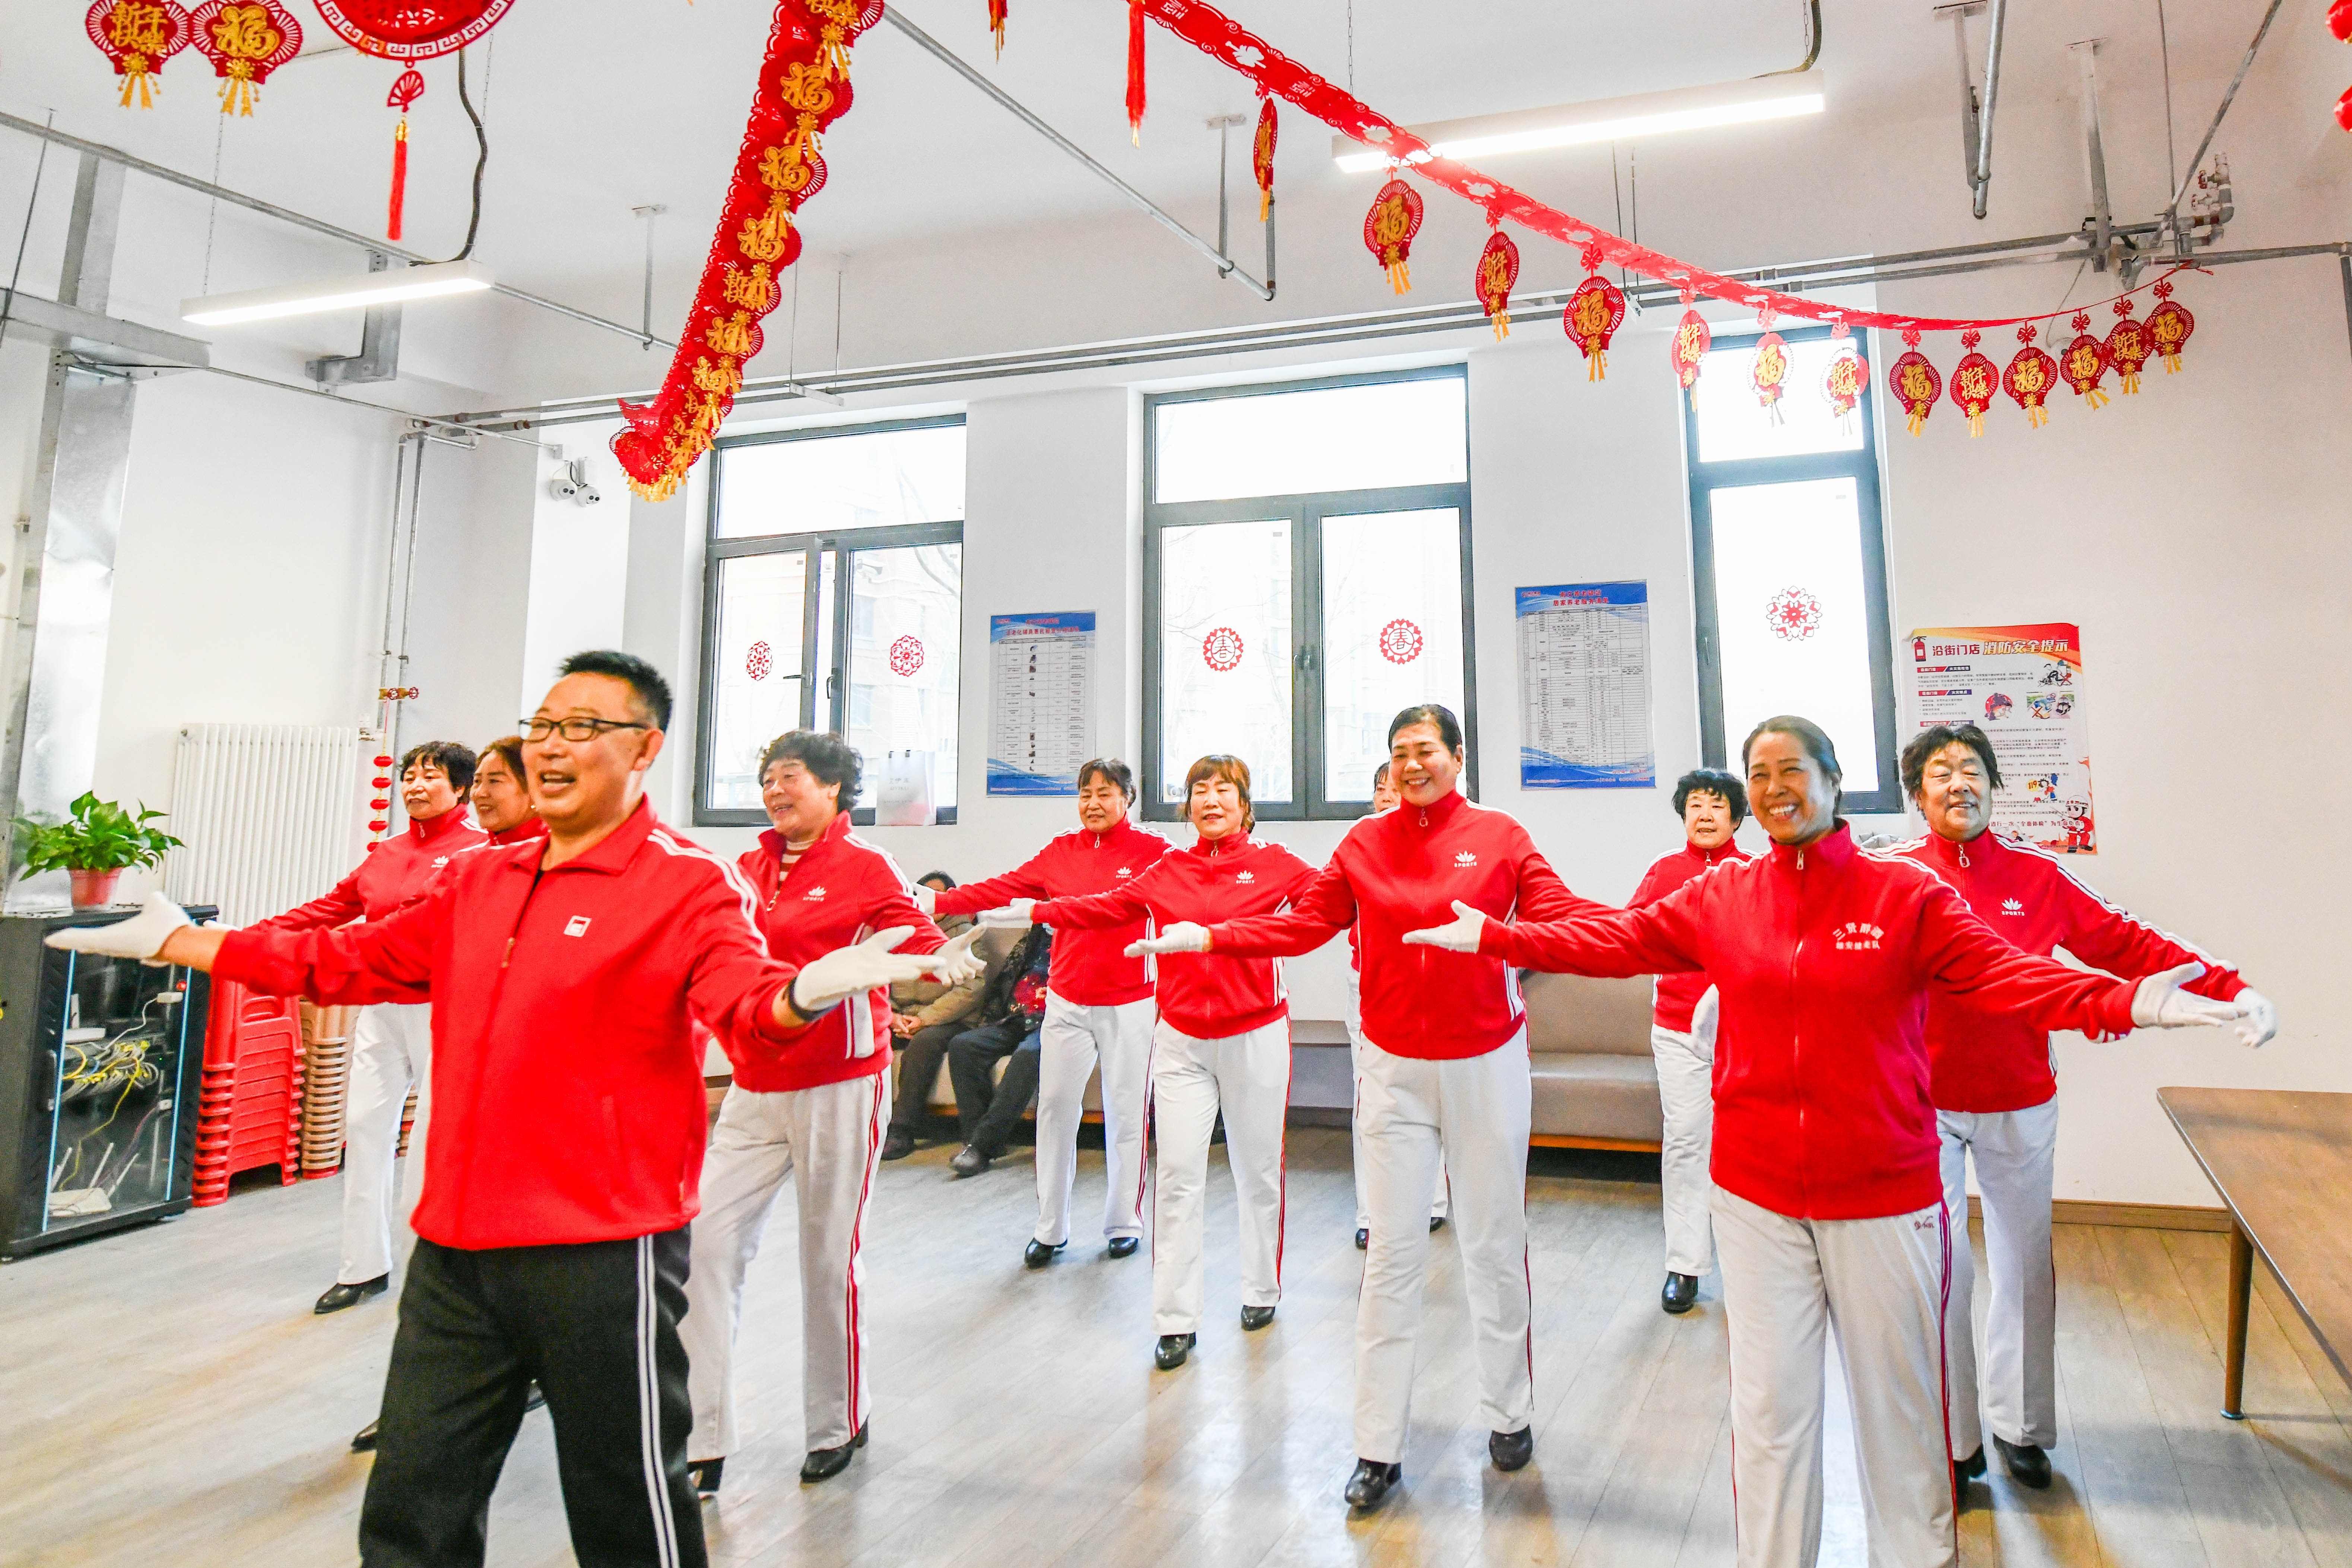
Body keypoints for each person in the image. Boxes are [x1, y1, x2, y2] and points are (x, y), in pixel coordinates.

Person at [52, 650, 978, 1568]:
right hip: (456, 1252)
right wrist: (189, 941)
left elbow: (745, 1002)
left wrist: (805, 991)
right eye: (542, 726)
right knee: (411, 1513)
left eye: (584, 727)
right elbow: (345, 958)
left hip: (603, 1250)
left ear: (645, 747)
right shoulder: (479, 878)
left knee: (628, 1519)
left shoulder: (686, 882)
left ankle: (831, 1421)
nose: (551, 746)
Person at [1400, 714, 2253, 1568]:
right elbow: (1617, 939)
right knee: (1769, 1420)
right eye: (1759, 773)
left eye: (1793, 769)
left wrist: (2129, 1001)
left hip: (1884, 1193)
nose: (1776, 788)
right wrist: (1498, 938)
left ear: (1835, 780)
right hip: (1755, 1199)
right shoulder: (1722, 895)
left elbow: (2010, 975)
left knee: (1901, 1421)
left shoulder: (1906, 896)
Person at [1133, 704, 1613, 1511]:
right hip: (1393, 1070)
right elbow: (1304, 926)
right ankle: (1377, 1448)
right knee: (1390, 1255)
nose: (1411, 764)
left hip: (1485, 1063)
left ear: (1457, 756)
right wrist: (1212, 938)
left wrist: (1651, 933)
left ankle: (1508, 1414)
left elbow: (1562, 916)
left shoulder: (1500, 836)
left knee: (1493, 1242)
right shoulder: (1362, 844)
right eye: (1398, 753)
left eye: (1425, 750)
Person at [1889, 722, 2275, 1492]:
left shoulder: (2037, 875)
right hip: (1919, 1104)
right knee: (1937, 1270)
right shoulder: (1893, 876)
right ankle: (1951, 1440)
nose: (1958, 782)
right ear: (1916, 794)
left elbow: (2128, 943)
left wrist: (2232, 988)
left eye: (1972, 769)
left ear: (1993, 786)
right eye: (1940, 771)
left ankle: (2020, 1428)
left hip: (2019, 1097)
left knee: (2025, 1263)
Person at [682, 731, 963, 1495]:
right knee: (704, 1244)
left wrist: (939, 959)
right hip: (754, 1081)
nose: (775, 790)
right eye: (767, 778)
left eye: (791, 777)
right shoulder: (745, 868)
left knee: (827, 1256)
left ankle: (838, 1420)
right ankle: (703, 1433)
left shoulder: (866, 864)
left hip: (841, 1082)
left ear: (833, 786)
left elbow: (918, 937)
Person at [997, 755, 1316, 1370]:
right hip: (1180, 1039)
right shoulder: (1169, 869)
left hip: (1254, 1033)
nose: (1210, 799)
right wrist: (1033, 911)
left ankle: (1261, 1288)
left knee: (1257, 1172)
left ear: (1245, 803)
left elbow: (1325, 908)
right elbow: (1101, 907)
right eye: (1199, 790)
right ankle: (1175, 1319)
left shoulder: (1276, 863)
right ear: (1186, 806)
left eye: (1223, 789)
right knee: (1176, 1177)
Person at [256, 740, 486, 1316]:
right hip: (381, 1006)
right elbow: (328, 909)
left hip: (442, 1008)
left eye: (431, 776)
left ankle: (434, 1276)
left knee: (433, 1140)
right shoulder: (387, 852)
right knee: (362, 1126)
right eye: (410, 775)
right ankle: (363, 1267)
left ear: (461, 789)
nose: (415, 785)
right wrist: (251, 938)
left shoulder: (480, 851)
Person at [926, 759, 1171, 1267]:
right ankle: (1050, 1228)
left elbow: (1120, 907)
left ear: (1128, 798)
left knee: (1127, 1112)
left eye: (1105, 793)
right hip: (1067, 1000)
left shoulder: (1155, 852)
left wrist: (1039, 912)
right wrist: (939, 900)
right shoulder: (1061, 850)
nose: (1093, 803)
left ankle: (1124, 1222)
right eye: (1085, 793)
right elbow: (1004, 887)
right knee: (1056, 1109)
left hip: (1130, 1000)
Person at [1629, 767, 1753, 1316]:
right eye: (1696, 805)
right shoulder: (1664, 871)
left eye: (1718, 805)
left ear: (1736, 818)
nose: (1705, 815)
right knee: (1685, 1140)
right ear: (1683, 815)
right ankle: (1685, 1264)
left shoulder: (1755, 872)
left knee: (1747, 1145)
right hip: (1677, 1030)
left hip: (1747, 1033)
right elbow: (1632, 934)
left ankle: (1752, 1261)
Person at [1348, 761, 1447, 1250]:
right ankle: (1373, 1211)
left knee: (1436, 1091)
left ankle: (1433, 1203)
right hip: (1371, 981)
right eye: (1380, 789)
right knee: (1370, 1096)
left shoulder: (1442, 841)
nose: (1388, 796)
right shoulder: (1361, 844)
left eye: (1396, 788)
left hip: (1436, 982)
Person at [881, 871, 984, 1161]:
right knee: (859, 1034)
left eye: (936, 897)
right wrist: (890, 1015)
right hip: (900, 1017)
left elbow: (972, 988)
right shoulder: (900, 932)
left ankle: (901, 1131)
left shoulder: (967, 935)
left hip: (950, 1022)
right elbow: (879, 979)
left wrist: (924, 1019)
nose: (928, 903)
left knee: (924, 1043)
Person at [944, 925, 1055, 1171]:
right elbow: (1007, 980)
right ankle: (973, 1139)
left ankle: (981, 1148)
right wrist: (990, 1019)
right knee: (964, 1045)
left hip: (1054, 1023)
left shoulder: (1084, 936)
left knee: (1027, 1056)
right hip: (1016, 1018)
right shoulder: (1034, 935)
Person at [468, 733, 548, 847]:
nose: (479, 793)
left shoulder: (557, 852)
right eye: (477, 781)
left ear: (534, 789)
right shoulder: (467, 855)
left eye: (494, 781)